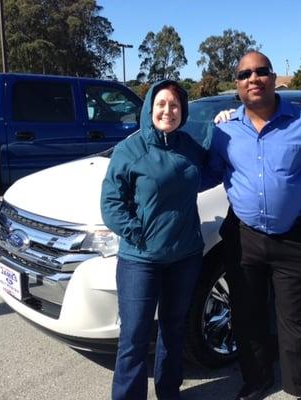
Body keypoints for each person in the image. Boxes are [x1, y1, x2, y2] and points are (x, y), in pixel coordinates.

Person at [203, 51, 301, 400]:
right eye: (245, 74)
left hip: (294, 236)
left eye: (261, 71)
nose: (253, 78)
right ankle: (258, 380)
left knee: (298, 320)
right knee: (247, 316)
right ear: (237, 84)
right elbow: (208, 172)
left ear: (274, 77)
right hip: (243, 237)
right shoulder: (225, 130)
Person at [101, 80, 206, 400]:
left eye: (174, 105)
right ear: (149, 108)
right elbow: (111, 202)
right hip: (140, 261)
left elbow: (212, 166)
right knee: (134, 337)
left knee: (173, 331)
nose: (168, 111)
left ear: (182, 111)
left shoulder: (188, 146)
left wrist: (222, 124)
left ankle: (168, 392)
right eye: (161, 104)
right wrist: (137, 232)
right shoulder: (129, 150)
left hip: (185, 257)